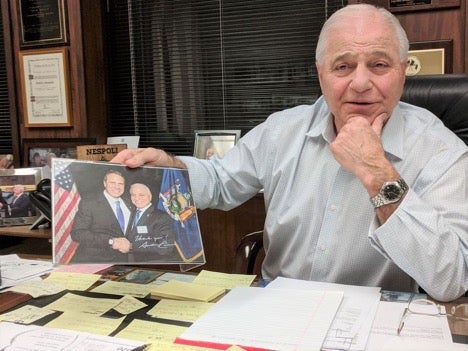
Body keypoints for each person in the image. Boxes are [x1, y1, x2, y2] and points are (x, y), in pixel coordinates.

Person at [112, 4, 468, 302]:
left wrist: (377, 172)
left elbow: (449, 277)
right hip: (278, 308)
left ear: (403, 71)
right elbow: (220, 181)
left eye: (379, 64)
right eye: (343, 66)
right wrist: (172, 167)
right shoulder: (283, 130)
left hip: (374, 318)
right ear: (321, 74)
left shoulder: (441, 150)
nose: (360, 83)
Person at [70, 170, 133, 263]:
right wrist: (111, 241)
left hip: (124, 261)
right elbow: (77, 233)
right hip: (95, 261)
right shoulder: (89, 203)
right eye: (113, 183)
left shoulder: (130, 203)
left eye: (120, 183)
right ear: (104, 183)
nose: (117, 187)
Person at [126, 183, 178, 262]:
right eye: (133, 195)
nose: (136, 198)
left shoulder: (161, 217)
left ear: (150, 197)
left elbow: (166, 247)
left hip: (152, 263)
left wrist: (132, 246)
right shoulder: (129, 213)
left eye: (141, 195)